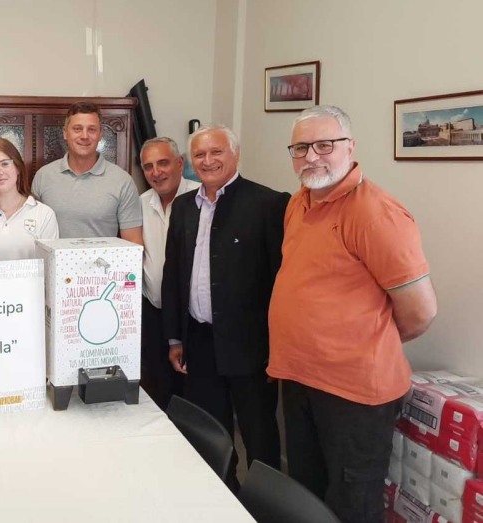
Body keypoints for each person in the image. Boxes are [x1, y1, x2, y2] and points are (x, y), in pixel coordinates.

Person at [268, 105, 437, 523]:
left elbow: (420, 313)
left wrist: (360, 342)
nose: (311, 157)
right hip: (300, 377)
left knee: (352, 503)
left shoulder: (375, 212)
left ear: (350, 147)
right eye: (301, 147)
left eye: (325, 145)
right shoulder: (299, 202)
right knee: (306, 492)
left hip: (354, 392)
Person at [162, 124, 288, 482]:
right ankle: (220, 499)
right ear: (190, 162)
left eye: (217, 152)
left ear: (235, 155)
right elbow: (174, 274)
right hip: (199, 342)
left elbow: (282, 281)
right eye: (200, 154)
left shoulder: (268, 203)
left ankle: (266, 508)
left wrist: (276, 346)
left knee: (259, 434)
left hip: (251, 346)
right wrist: (175, 337)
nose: (208, 160)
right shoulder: (184, 206)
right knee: (209, 434)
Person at [139, 137, 200, 410]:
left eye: (163, 163)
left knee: (192, 393)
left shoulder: (201, 198)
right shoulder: (139, 204)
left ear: (179, 163)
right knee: (157, 389)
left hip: (192, 318)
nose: (156, 172)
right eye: (148, 166)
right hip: (153, 312)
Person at [31, 102, 142, 243]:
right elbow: (32, 234)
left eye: (92, 129)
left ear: (100, 134)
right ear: (65, 133)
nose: (84, 136)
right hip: (52, 265)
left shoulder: (122, 181)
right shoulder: (43, 176)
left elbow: (133, 245)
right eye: (77, 129)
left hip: (103, 265)